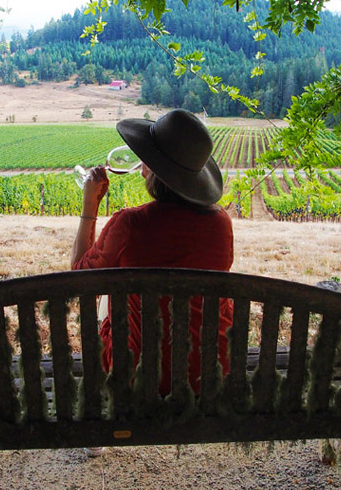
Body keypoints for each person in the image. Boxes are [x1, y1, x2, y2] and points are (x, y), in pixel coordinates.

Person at [71, 109, 234, 398]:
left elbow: (80, 280)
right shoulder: (221, 224)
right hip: (208, 373)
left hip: (138, 377)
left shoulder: (130, 224)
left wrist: (89, 203)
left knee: (110, 300)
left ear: (151, 169)